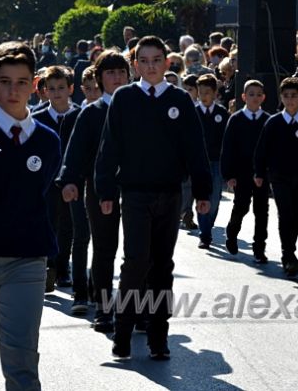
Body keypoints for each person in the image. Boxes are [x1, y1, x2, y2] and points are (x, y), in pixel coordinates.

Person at [95, 36, 212, 360]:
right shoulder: (124, 98)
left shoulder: (179, 100)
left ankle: (158, 338)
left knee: (163, 266)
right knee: (135, 263)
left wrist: (202, 191)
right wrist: (104, 190)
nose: (150, 66)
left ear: (167, 62)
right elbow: (109, 147)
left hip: (169, 194)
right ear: (136, 65)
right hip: (133, 194)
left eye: (156, 60)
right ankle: (122, 334)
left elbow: (195, 148)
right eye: (143, 61)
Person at [0, 41, 61, 390]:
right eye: (5, 81)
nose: (12, 90)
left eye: (22, 82)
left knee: (21, 361)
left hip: (26, 261)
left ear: (35, 85)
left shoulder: (48, 140)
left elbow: (41, 186)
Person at [57, 49, 129, 332]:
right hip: (99, 189)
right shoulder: (91, 112)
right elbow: (74, 152)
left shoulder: (142, 108)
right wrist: (70, 180)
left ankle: (141, 308)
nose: (117, 77)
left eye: (121, 72)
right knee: (104, 248)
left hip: (138, 189)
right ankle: (103, 306)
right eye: (110, 73)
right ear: (99, 78)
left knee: (140, 251)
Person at [32, 66, 81, 292]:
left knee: (68, 227)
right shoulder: (37, 119)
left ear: (70, 89)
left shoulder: (80, 115)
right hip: (47, 182)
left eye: (61, 87)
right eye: (51, 88)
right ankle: (48, 267)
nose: (57, 92)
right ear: (44, 91)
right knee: (49, 223)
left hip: (73, 181)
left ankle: (63, 269)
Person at [254, 77, 298, 275]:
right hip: (278, 176)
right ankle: (288, 255)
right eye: (286, 96)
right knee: (285, 213)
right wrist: (260, 172)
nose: (290, 100)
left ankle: (291, 249)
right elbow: (262, 150)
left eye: (294, 96)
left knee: (296, 214)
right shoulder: (274, 122)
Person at [220, 80, 270, 262]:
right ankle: (232, 233)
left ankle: (259, 248)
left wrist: (266, 172)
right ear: (243, 97)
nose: (255, 98)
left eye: (258, 94)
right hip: (241, 172)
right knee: (241, 206)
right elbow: (228, 149)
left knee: (261, 211)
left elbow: (271, 149)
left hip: (261, 174)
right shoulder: (236, 119)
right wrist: (229, 175)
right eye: (251, 94)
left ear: (263, 97)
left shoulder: (267, 120)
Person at [184, 74, 228, 249]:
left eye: (207, 92)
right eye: (200, 92)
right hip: (198, 162)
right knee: (201, 196)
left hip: (217, 161)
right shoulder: (192, 112)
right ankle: (205, 233)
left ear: (215, 93)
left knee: (215, 198)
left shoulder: (222, 114)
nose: (203, 96)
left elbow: (227, 140)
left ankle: (208, 224)